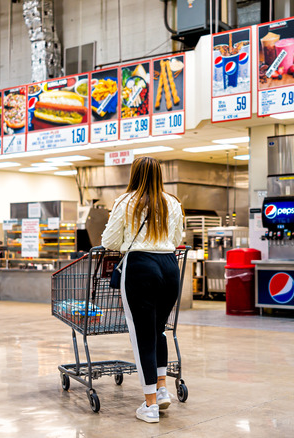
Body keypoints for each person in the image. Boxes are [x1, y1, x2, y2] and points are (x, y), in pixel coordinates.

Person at [101, 157, 184, 424]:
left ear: (134, 174)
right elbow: (177, 239)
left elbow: (109, 241)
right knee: (158, 330)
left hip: (140, 267)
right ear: (160, 174)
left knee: (142, 337)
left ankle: (149, 406)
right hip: (170, 268)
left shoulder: (125, 202)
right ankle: (161, 390)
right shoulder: (172, 201)